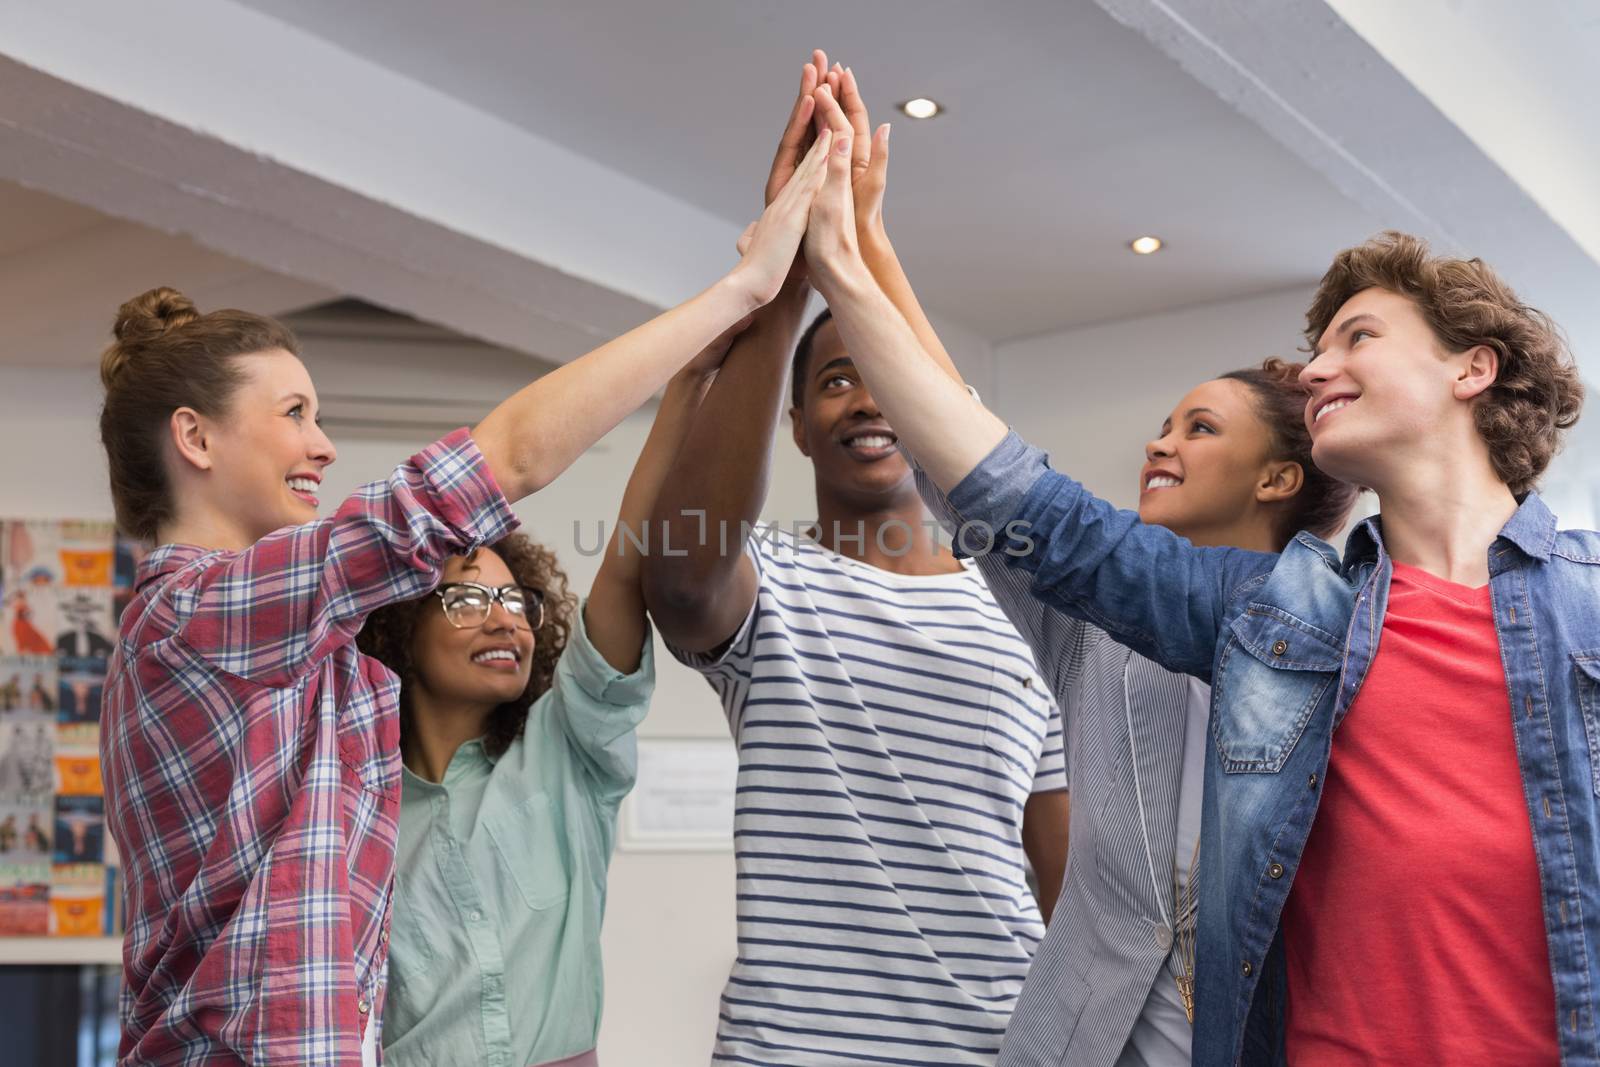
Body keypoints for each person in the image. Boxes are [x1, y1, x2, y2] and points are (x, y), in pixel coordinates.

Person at [798, 74, 1593, 1067]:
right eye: (1316, 347)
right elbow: (1017, 500)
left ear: (1469, 368)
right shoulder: (1280, 613)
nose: (1312, 370)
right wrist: (846, 257)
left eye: (1358, 336)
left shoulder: (1585, 608)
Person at [96, 132, 829, 1067]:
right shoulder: (192, 618)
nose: (323, 446)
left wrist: (695, 383)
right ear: (194, 438)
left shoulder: (289, 645)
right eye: (294, 415)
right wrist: (744, 288)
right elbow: (500, 463)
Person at [642, 54, 1068, 1066]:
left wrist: (866, 241)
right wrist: (789, 270)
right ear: (795, 422)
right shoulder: (770, 587)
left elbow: (1069, 885)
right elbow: (681, 570)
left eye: (883, 378)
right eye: (837, 380)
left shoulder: (1028, 612)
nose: (868, 399)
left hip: (999, 1046)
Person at [915, 357, 1358, 1067]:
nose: (1159, 445)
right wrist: (862, 269)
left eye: (1200, 428)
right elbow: (970, 475)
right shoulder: (1086, 624)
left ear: (1275, 479)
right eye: (1163, 429)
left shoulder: (1349, 646)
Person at [357, 345, 729, 1067]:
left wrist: (682, 390)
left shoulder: (567, 748)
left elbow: (626, 565)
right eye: (468, 598)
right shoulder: (356, 803)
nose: (505, 621)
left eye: (514, 600)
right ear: (402, 626)